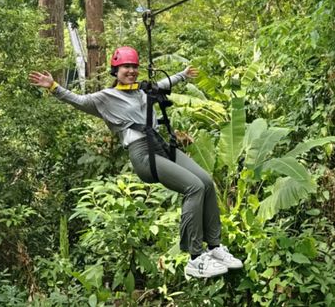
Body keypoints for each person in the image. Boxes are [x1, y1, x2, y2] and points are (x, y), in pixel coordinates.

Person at [29, 47, 243, 279]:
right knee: (194, 187)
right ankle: (195, 258)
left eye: (133, 67)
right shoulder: (105, 98)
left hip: (160, 145)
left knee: (206, 181)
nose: (130, 71)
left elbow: (162, 83)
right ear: (116, 70)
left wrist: (182, 74)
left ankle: (214, 247)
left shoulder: (143, 91)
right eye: (125, 67)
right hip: (142, 154)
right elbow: (78, 100)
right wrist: (53, 87)